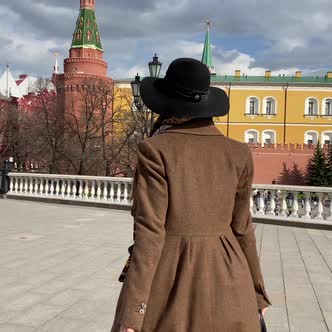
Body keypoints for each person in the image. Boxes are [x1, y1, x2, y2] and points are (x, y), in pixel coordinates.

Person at [111, 58, 271, 332]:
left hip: (172, 280)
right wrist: (257, 292)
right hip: (232, 278)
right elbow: (243, 227)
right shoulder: (238, 152)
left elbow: (150, 232)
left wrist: (133, 312)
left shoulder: (155, 149)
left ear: (167, 104)